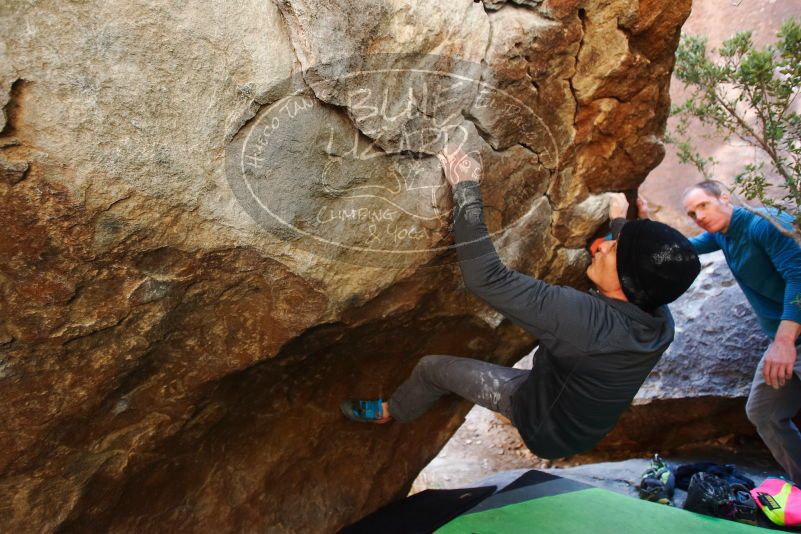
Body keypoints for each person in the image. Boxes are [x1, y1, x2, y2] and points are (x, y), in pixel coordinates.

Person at [340, 145, 701, 460]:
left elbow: (486, 278)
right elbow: (643, 276)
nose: (602, 247)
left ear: (627, 283)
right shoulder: (659, 318)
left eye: (613, 249)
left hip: (541, 424)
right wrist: (624, 223)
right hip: (579, 416)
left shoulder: (585, 322)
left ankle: (391, 411)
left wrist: (466, 188)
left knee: (431, 368)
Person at [681, 180, 801, 484]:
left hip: (790, 338)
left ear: (725, 197)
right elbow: (679, 250)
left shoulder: (764, 224)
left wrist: (784, 342)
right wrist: (631, 228)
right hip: (784, 341)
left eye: (703, 205)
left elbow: (799, 278)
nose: (699, 216)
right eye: (692, 213)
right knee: (764, 412)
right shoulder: (722, 234)